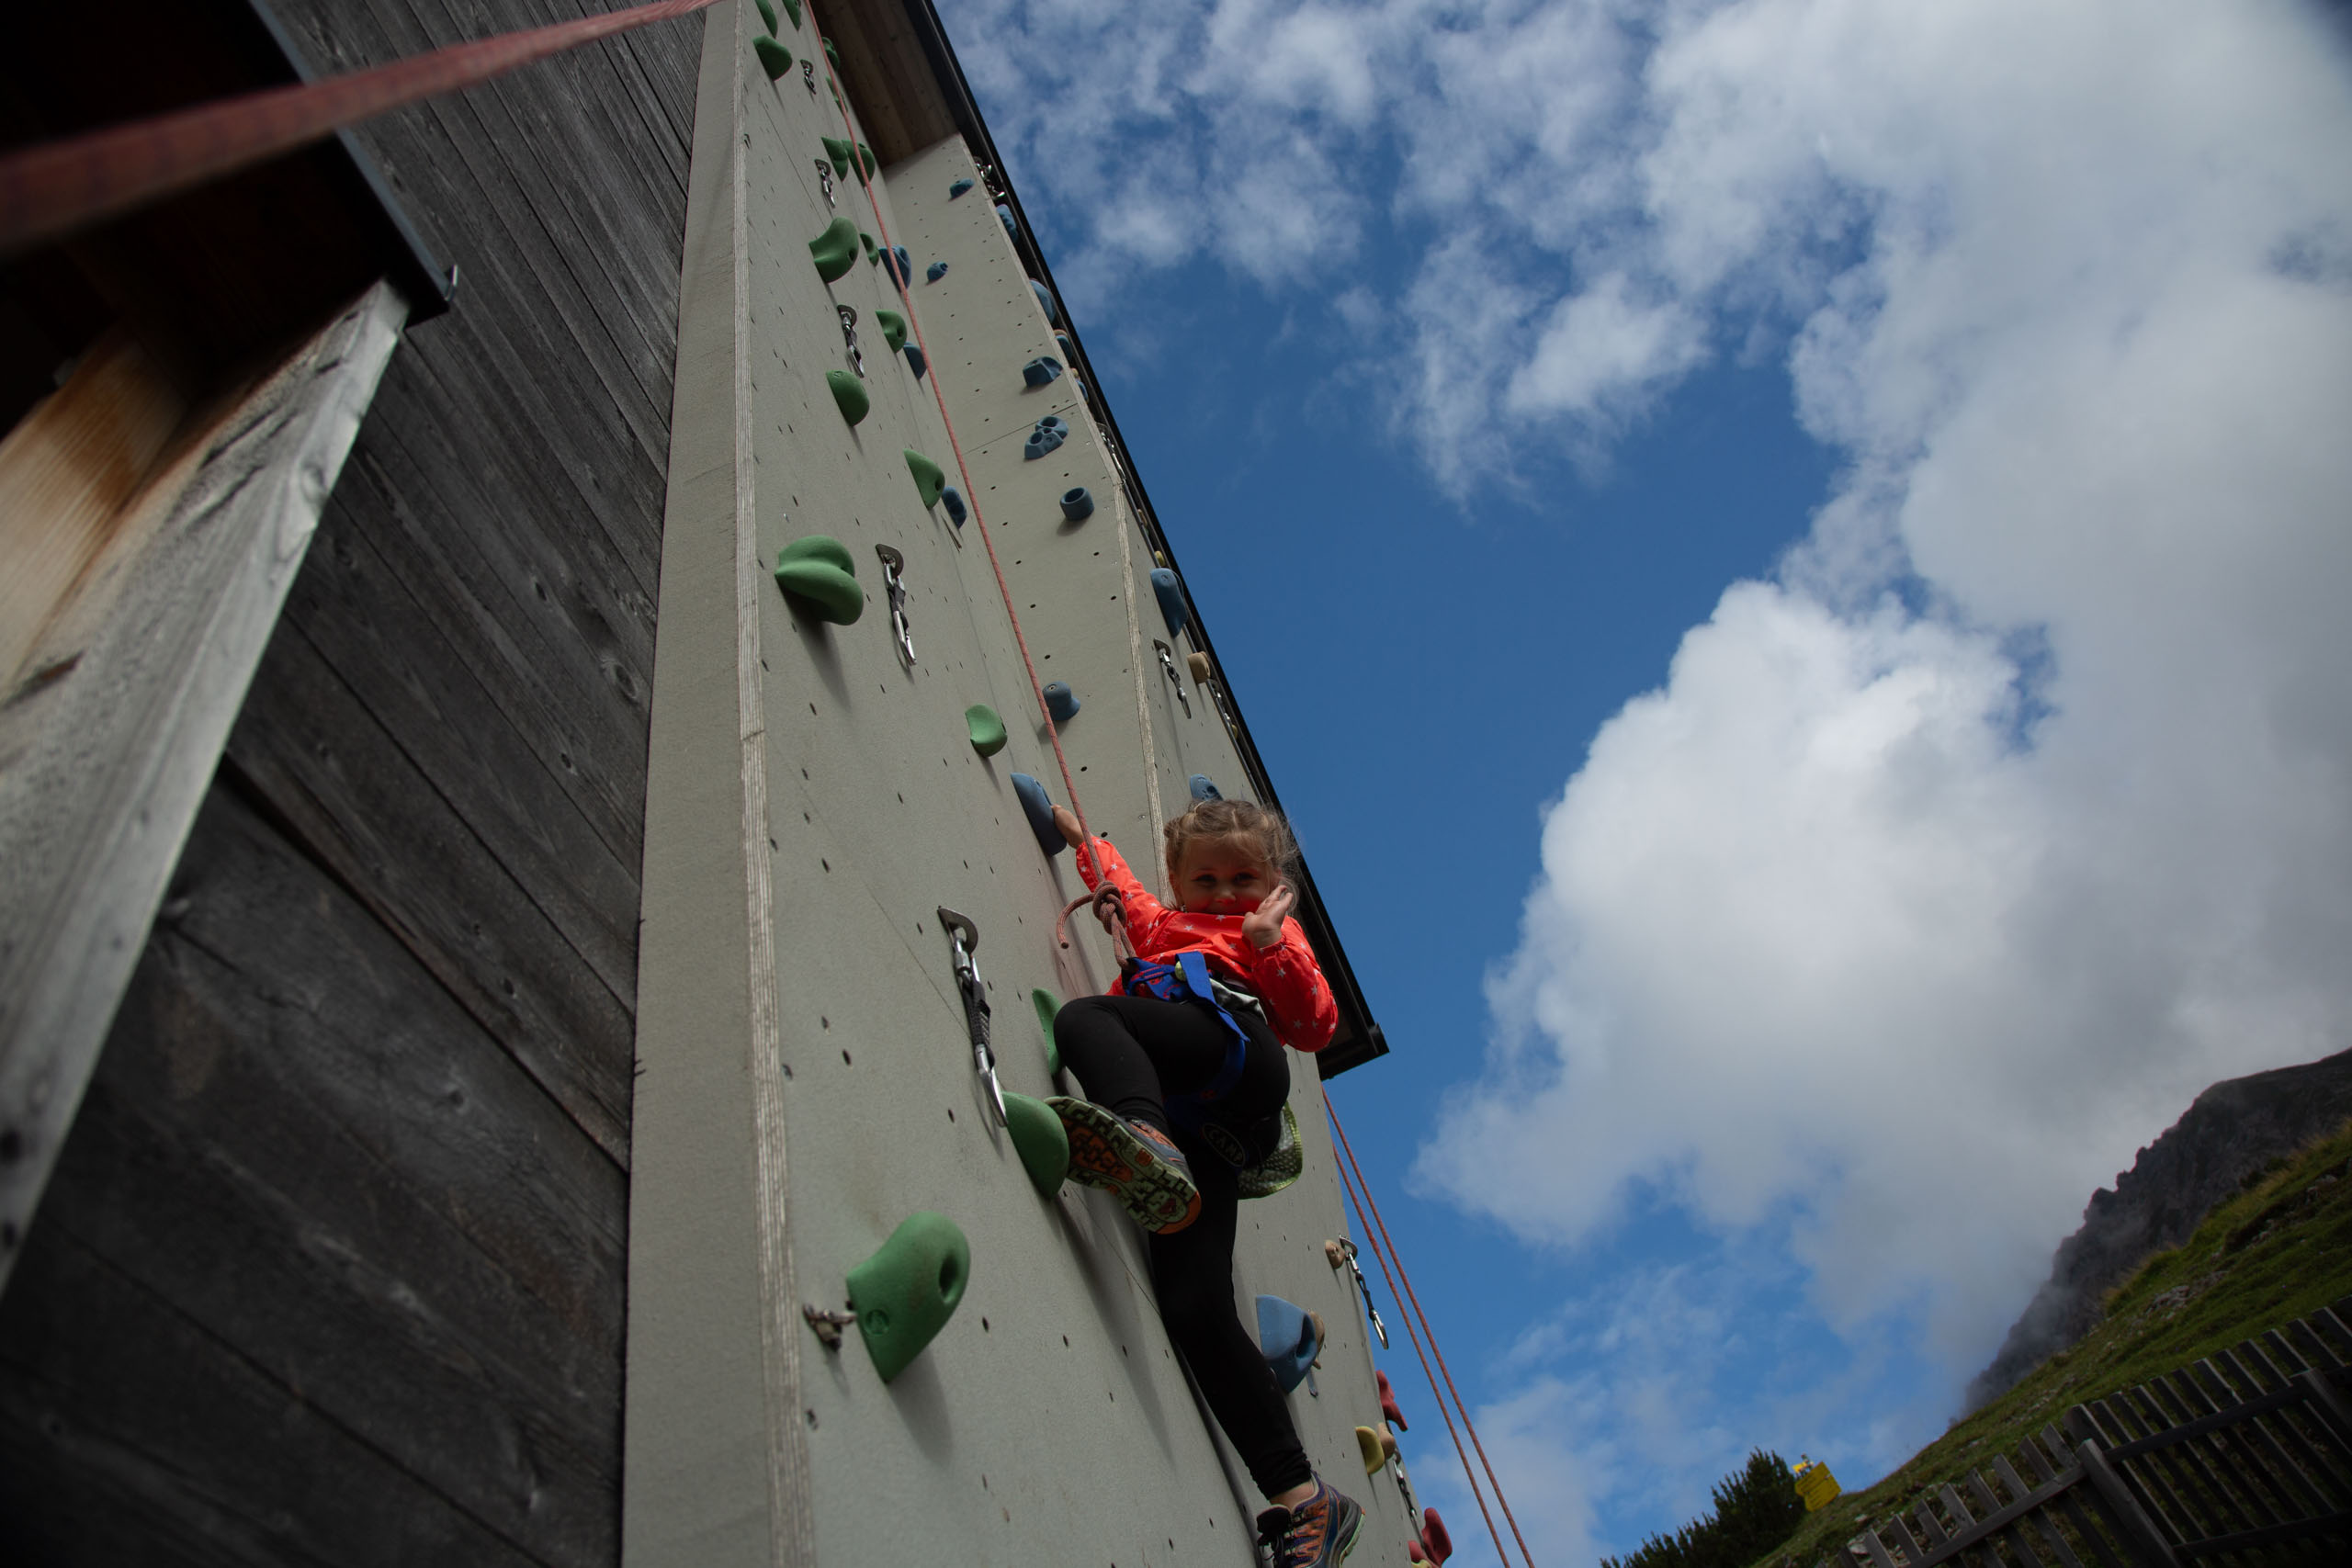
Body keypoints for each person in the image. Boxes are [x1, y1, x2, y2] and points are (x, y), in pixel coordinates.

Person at [1046, 796, 1363, 1568]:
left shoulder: (1267, 934)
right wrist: (1082, 836)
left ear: (1274, 883)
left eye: (1245, 878)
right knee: (1194, 1307)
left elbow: (1314, 1025)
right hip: (1204, 1135)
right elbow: (1121, 884)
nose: (1226, 895)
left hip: (1242, 1051)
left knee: (1090, 1018)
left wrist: (1272, 944)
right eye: (1208, 879)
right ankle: (1305, 1498)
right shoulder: (1161, 924)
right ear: (1180, 882)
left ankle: (1142, 1137)